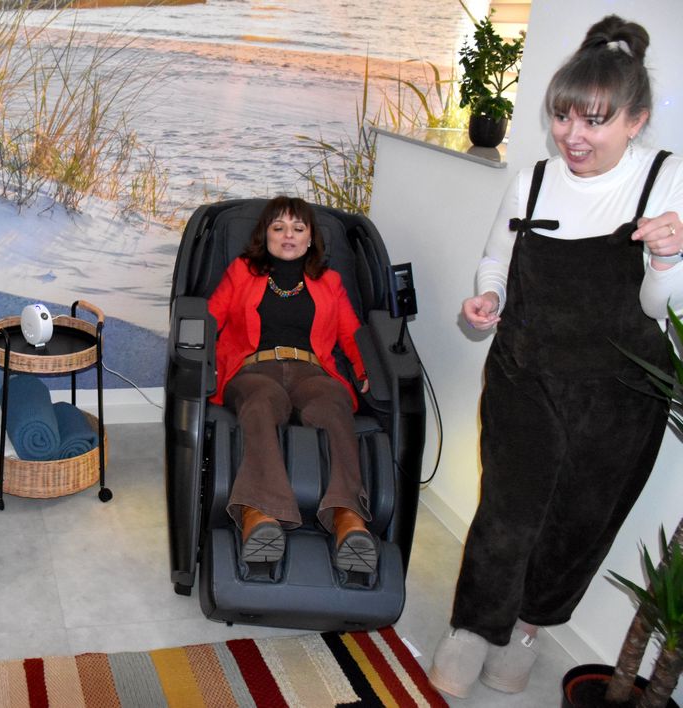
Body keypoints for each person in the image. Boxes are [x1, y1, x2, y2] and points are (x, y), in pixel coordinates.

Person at [428, 16, 683, 699]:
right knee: (507, 512)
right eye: (563, 115)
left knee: (580, 522)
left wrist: (668, 257)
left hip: (621, 396)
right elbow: (496, 260)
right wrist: (488, 297)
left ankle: (528, 629)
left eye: (595, 121)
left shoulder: (667, 180)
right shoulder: (533, 181)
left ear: (636, 120)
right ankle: (473, 627)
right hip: (526, 376)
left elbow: (660, 307)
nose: (573, 135)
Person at [207, 195, 376, 574]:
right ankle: (258, 513)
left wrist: (365, 370)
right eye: (279, 227)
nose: (288, 236)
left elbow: (352, 334)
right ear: (264, 234)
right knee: (261, 402)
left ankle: (347, 517)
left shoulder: (329, 282)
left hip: (311, 371)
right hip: (254, 370)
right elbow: (209, 319)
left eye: (298, 228)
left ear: (311, 237)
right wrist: (197, 361)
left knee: (332, 405)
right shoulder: (241, 272)